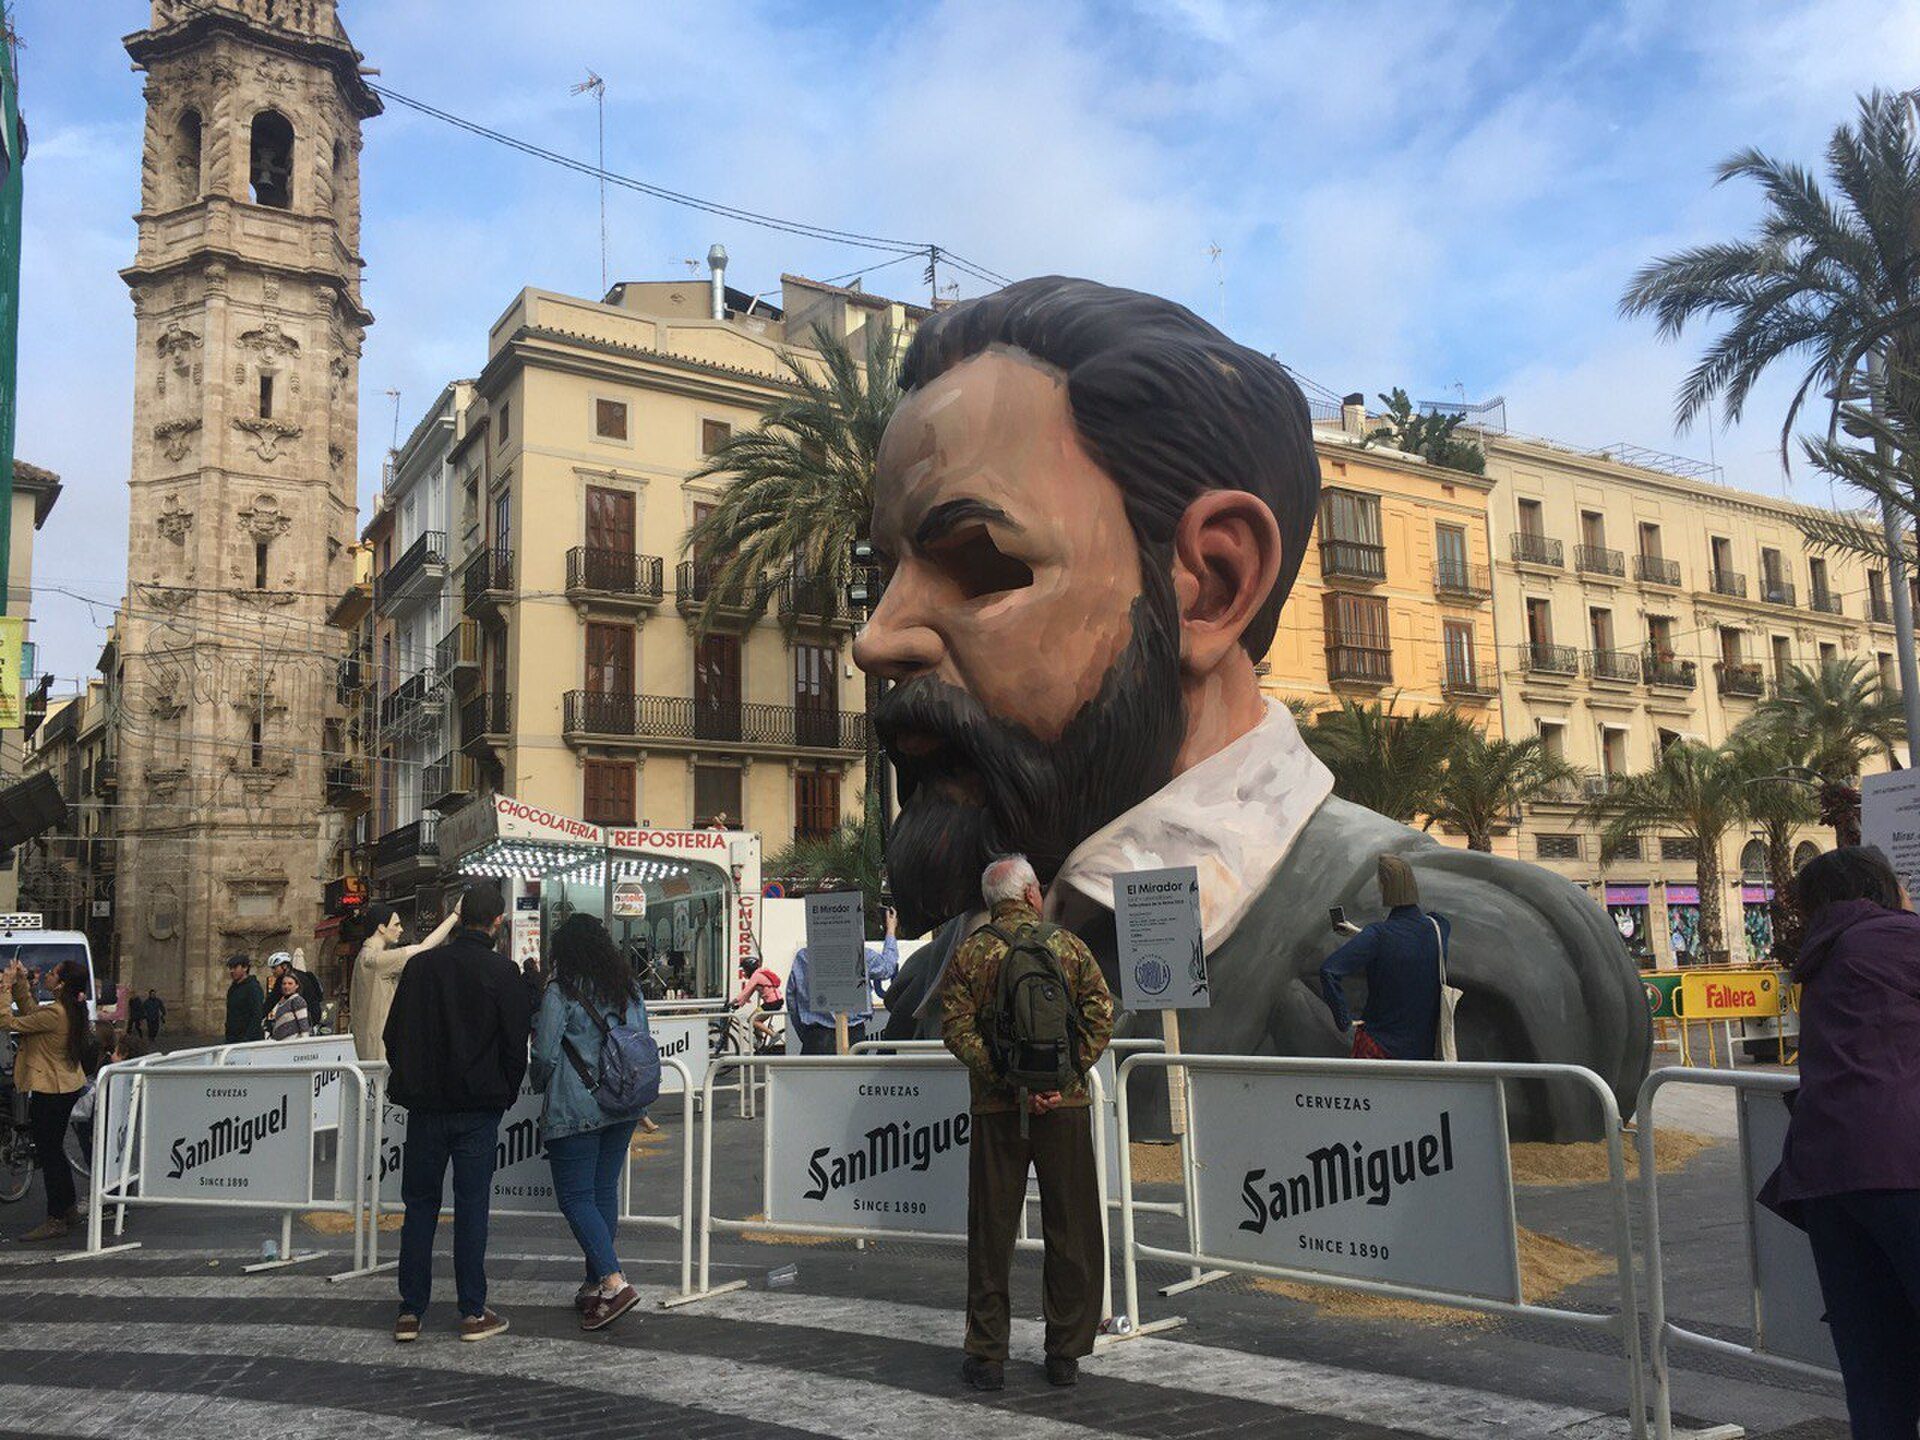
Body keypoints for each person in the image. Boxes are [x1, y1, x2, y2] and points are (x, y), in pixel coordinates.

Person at [855, 277, 1648, 1142]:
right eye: (884, 572)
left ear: (1213, 589)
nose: (877, 638)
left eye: (980, 565)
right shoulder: (935, 979)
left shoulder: (1515, 968)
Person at [1759, 846, 1920, 1436]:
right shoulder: (1897, 938)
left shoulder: (1823, 953)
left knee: (1875, 1365)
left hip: (1827, 1175)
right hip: (1903, 1166)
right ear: (1880, 888)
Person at [942, 855, 1112, 1391]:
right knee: (1071, 1227)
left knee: (992, 1231)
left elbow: (956, 1029)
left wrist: (1010, 1081)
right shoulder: (1066, 946)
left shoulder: (972, 953)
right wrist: (1062, 1076)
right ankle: (1064, 1352)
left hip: (997, 1111)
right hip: (1065, 1106)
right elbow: (1100, 1013)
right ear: (1034, 895)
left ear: (993, 903)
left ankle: (988, 1355)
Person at [382, 883, 534, 1344]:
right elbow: (515, 1047)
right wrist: (503, 1093)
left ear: (459, 916)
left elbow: (394, 1036)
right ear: (497, 923)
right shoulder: (504, 973)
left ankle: (411, 1310)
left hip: (427, 1108)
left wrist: (415, 1079)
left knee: (420, 1207)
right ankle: (472, 1310)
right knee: (472, 1208)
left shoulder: (421, 967)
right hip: (477, 1109)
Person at [530, 914, 647, 1332]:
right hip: (622, 1105)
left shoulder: (562, 991)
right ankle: (594, 1281)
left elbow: (544, 1054)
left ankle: (614, 1282)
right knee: (601, 1194)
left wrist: (537, 1081)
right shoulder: (628, 989)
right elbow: (641, 1042)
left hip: (577, 1107)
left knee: (576, 1198)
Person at [1317, 855, 1450, 1060]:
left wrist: (1343, 1020)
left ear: (1384, 885)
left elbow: (1329, 970)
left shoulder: (1377, 935)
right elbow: (1406, 944)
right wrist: (1360, 934)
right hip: (1423, 1052)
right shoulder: (1439, 927)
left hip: (1379, 1050)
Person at [1, 957, 93, 1241]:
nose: (48, 975)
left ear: (62, 983)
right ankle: (67, 1209)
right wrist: (20, 985)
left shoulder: (56, 1013)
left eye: (53, 973)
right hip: (64, 1085)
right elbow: (30, 1014)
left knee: (49, 1153)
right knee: (54, 1150)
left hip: (52, 1090)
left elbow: (8, 1021)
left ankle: (56, 1218)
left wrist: (4, 987)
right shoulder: (63, 1010)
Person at [349, 903, 459, 1064]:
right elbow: (425, 947)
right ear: (381, 927)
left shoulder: (365, 957)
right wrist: (455, 915)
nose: (401, 929)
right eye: (396, 924)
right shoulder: (376, 960)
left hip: (372, 1047)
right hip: (381, 1050)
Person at [786, 906, 899, 1055]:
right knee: (852, 1078)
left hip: (816, 1035)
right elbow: (887, 968)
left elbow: (792, 1000)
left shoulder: (804, 956)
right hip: (853, 1034)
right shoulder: (861, 954)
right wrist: (890, 930)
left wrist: (806, 1034)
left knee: (815, 1078)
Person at [732, 954, 783, 1049]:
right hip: (774, 1001)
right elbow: (749, 994)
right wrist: (739, 1004)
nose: (744, 972)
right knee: (756, 1021)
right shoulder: (759, 974)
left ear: (749, 968)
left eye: (744, 970)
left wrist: (733, 1001)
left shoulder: (756, 976)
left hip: (772, 1003)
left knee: (752, 1020)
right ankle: (760, 1045)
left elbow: (746, 990)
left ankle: (773, 1035)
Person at [270, 950, 324, 1034]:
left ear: (284, 966)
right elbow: (319, 996)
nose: (272, 971)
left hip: (303, 1020)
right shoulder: (304, 975)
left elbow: (271, 1000)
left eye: (274, 968)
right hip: (314, 1017)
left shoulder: (285, 980)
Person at [223, 954, 266, 1046]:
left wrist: (247, 1038)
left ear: (245, 968)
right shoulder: (233, 988)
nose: (231, 971)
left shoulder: (253, 988)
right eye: (230, 968)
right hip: (232, 1038)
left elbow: (257, 1014)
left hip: (248, 1040)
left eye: (235, 967)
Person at [267, 970, 311, 1040]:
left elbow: (304, 1025)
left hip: (292, 1044)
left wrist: (304, 1044)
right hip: (281, 1044)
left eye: (290, 983)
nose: (286, 986)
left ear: (296, 986)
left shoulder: (297, 1000)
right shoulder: (281, 1002)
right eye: (284, 984)